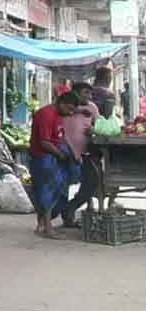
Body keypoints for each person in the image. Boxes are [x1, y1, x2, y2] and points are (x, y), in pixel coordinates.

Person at [29, 91, 79, 238]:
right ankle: (48, 229)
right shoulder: (46, 114)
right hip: (43, 157)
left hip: (54, 155)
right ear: (61, 103)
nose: (70, 113)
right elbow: (45, 142)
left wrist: (72, 153)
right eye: (69, 109)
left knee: (58, 189)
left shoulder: (60, 114)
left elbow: (61, 137)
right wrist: (60, 154)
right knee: (47, 192)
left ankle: (42, 225)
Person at [63, 83, 100, 227]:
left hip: (85, 153)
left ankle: (70, 210)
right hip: (65, 152)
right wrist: (80, 109)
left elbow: (99, 125)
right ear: (75, 93)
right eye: (85, 93)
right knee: (64, 185)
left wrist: (93, 129)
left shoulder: (92, 107)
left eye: (90, 94)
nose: (88, 97)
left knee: (90, 183)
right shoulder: (65, 106)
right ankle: (64, 215)